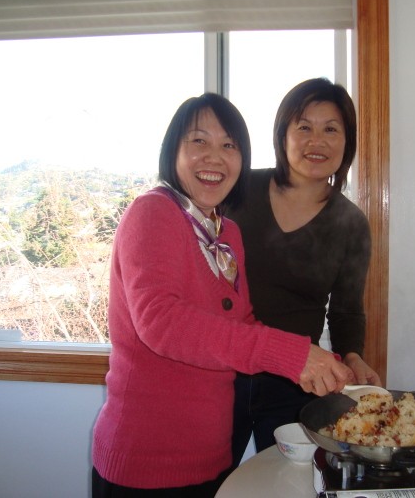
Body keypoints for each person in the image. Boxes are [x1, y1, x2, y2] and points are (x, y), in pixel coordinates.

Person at [91, 92, 352, 498]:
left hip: (210, 454)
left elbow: (241, 322)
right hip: (147, 460)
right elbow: (162, 322)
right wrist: (292, 355)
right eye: (199, 141)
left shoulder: (226, 233)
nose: (215, 157)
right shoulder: (153, 212)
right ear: (173, 151)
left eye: (229, 145)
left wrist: (321, 362)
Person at [226, 78, 382, 467]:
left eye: (331, 129)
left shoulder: (350, 223)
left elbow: (346, 309)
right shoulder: (240, 191)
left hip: (296, 380)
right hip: (224, 372)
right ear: (283, 136)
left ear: (347, 142)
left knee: (291, 480)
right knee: (207, 482)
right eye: (304, 127)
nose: (317, 141)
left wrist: (353, 356)